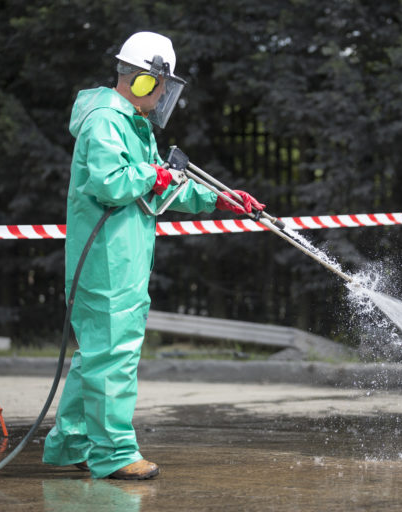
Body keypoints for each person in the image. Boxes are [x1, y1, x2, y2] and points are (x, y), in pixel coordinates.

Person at [42, 31, 264, 480]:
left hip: (119, 256)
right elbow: (111, 182)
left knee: (96, 358)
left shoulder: (129, 120)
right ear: (144, 80)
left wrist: (216, 199)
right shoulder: (107, 119)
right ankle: (116, 454)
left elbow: (155, 186)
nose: (165, 95)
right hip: (105, 260)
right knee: (114, 358)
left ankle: (71, 444)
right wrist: (152, 173)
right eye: (162, 85)